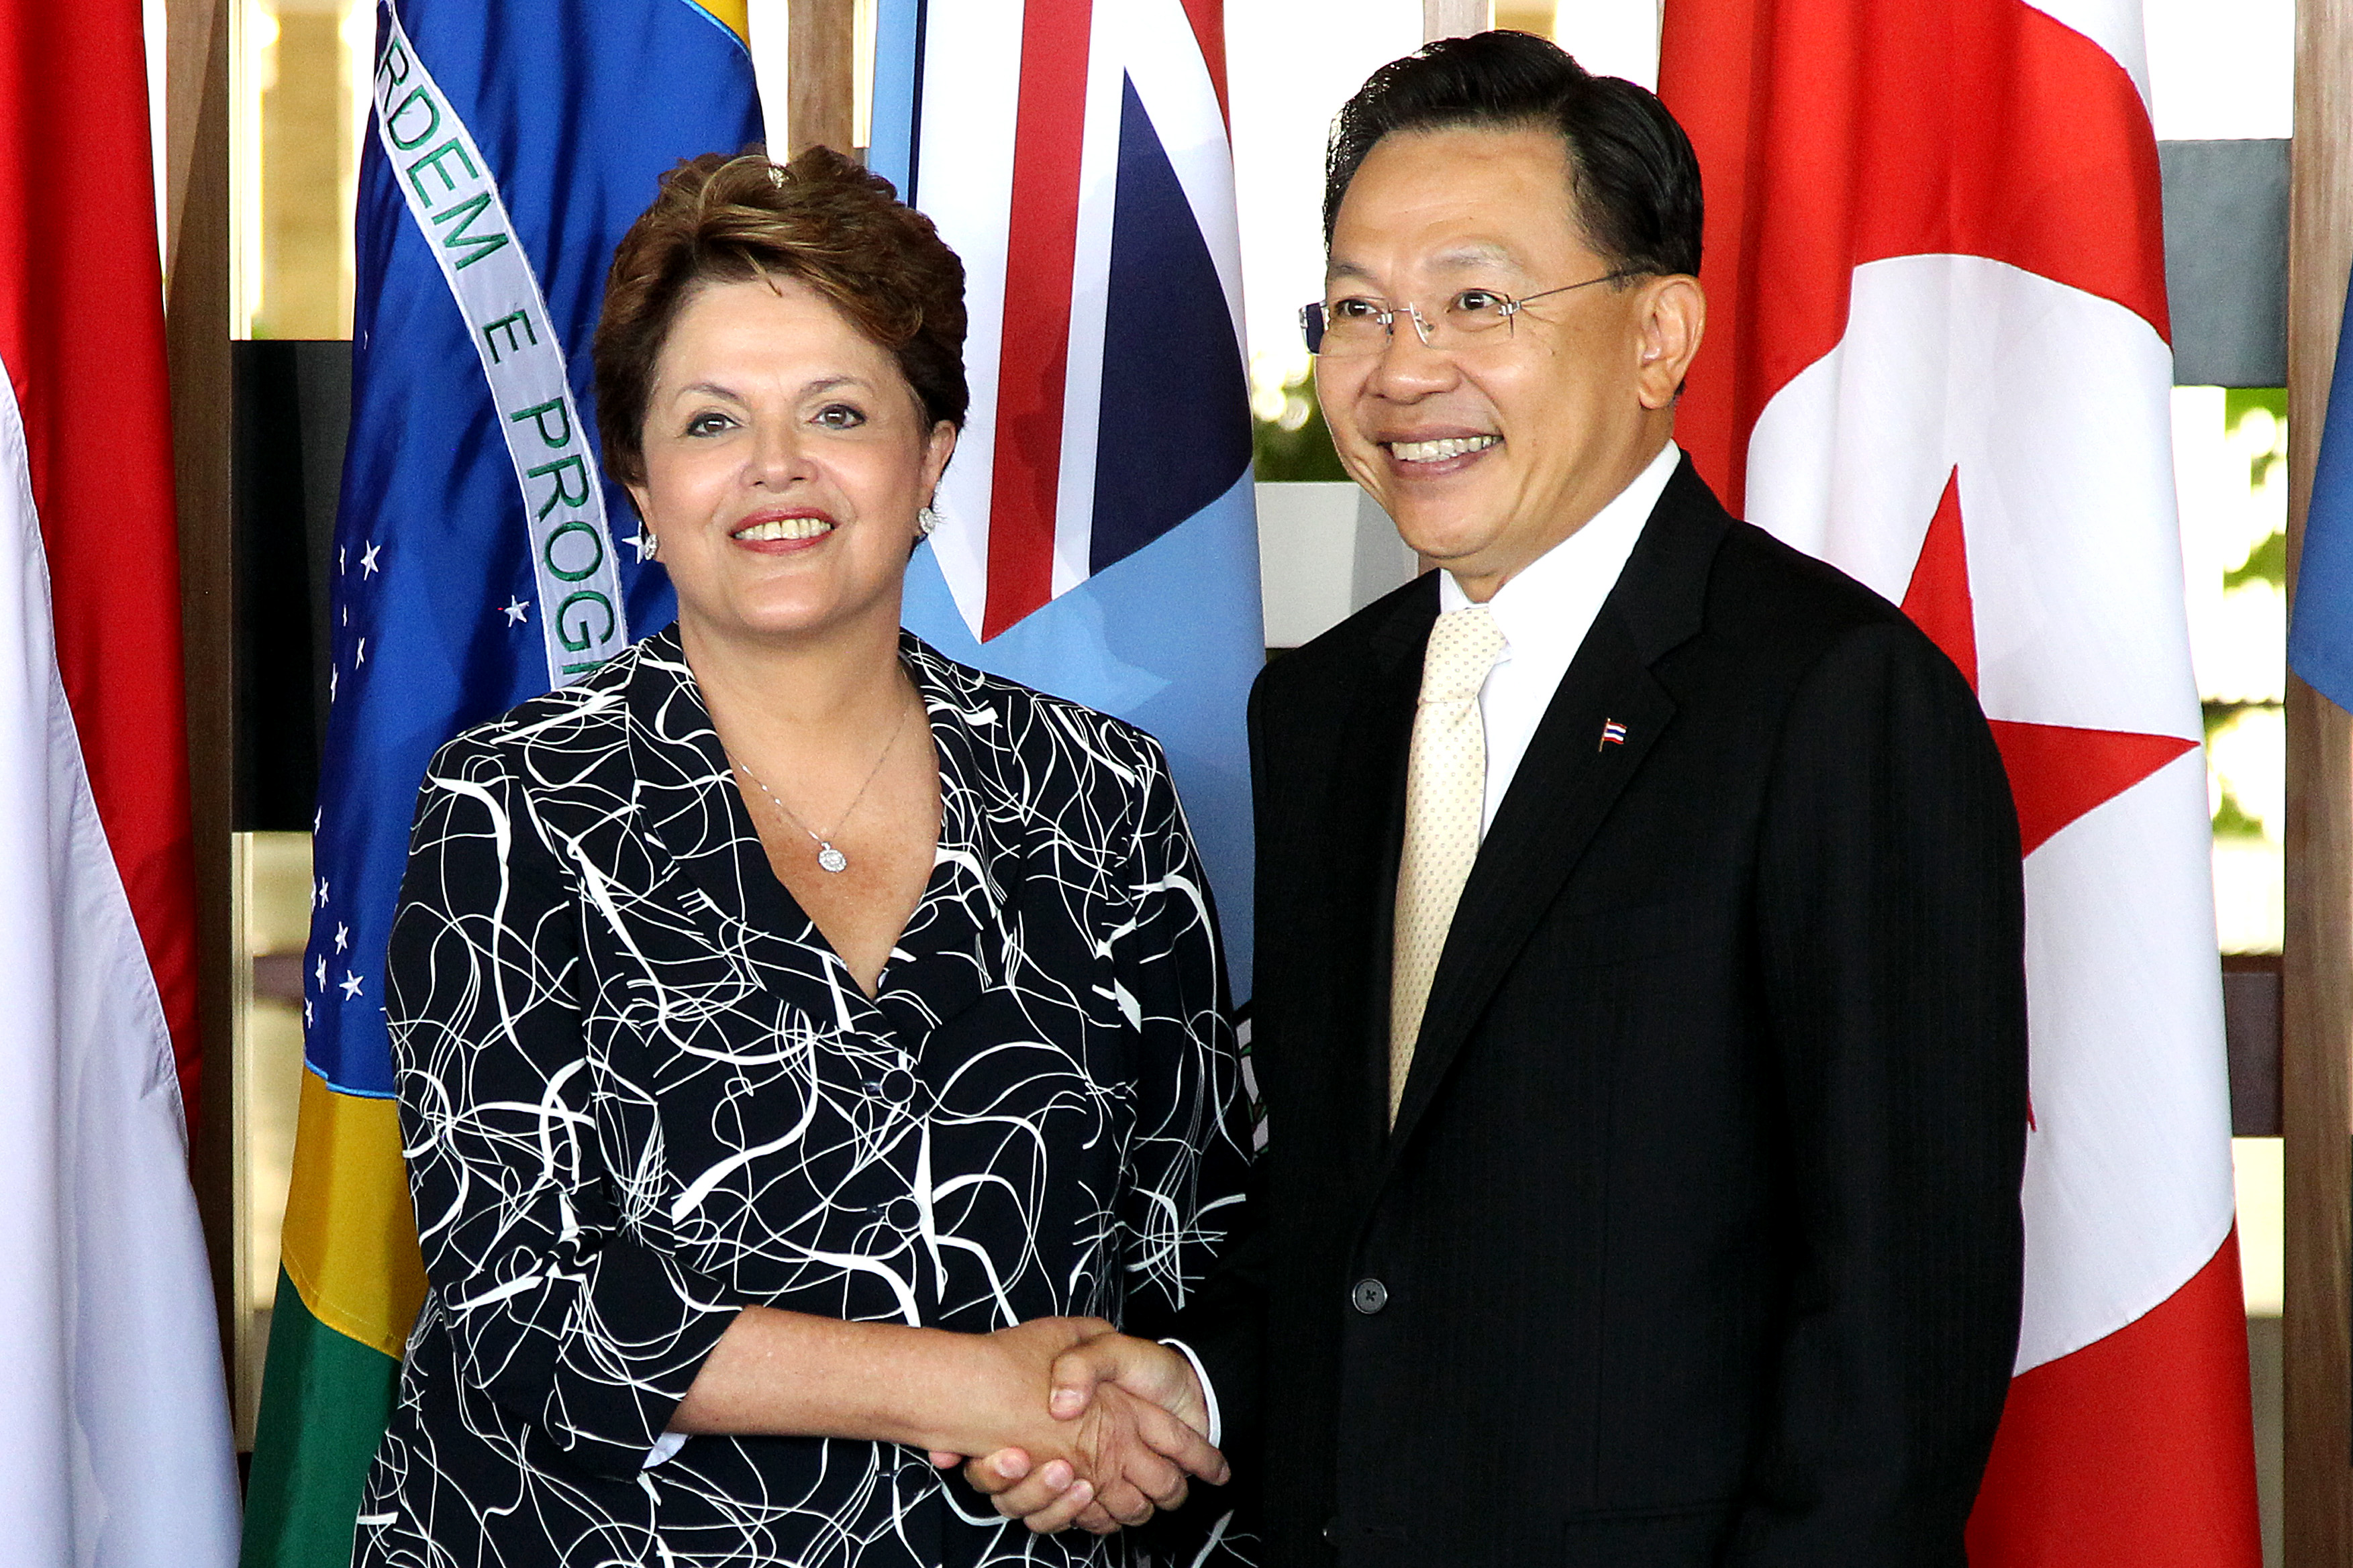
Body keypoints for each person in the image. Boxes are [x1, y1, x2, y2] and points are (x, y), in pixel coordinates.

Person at [970, 32, 2030, 1565]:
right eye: (1357, 309)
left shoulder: (1832, 700)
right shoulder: (1326, 708)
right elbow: (1354, 1221)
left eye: (1479, 301)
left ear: (1658, 332)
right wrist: (1192, 1377)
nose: (1404, 370)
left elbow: (1900, 1319)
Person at [352, 147, 1252, 1568]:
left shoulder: (1102, 796)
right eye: (711, 422)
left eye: (837, 410)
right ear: (637, 481)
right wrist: (973, 1384)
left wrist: (1124, 1426)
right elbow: (525, 1306)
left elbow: (1198, 1234)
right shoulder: (512, 805)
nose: (776, 467)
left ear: (930, 455)